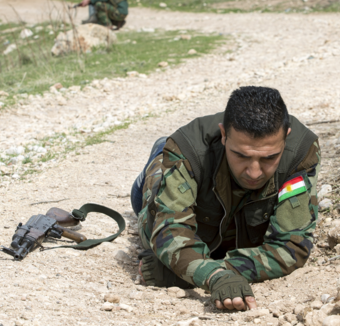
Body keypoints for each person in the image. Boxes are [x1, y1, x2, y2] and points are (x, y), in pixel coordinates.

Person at [130, 86, 321, 311]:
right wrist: (214, 277)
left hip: (230, 230)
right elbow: (169, 232)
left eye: (269, 158)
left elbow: (291, 246)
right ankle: (160, 150)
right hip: (157, 179)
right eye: (241, 155)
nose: (254, 172)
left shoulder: (301, 151)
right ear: (223, 135)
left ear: (286, 137)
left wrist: (200, 272)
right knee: (148, 205)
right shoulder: (188, 150)